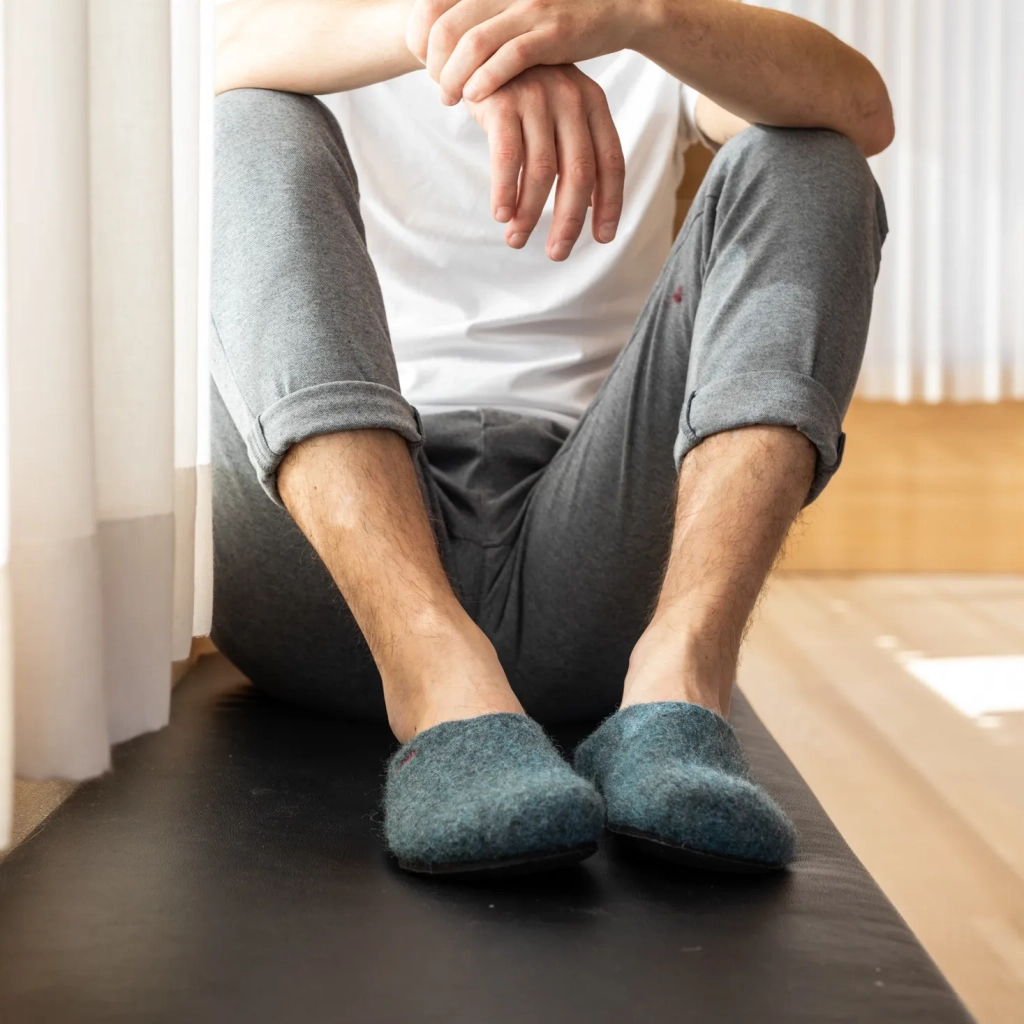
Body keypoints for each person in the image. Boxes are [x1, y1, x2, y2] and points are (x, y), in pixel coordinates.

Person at [211, 0, 892, 876]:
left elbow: (862, 108)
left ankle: (679, 683)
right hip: (334, 567)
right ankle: (429, 675)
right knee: (244, 120)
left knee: (814, 159)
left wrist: (632, 18)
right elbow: (196, 74)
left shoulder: (629, 23)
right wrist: (465, 44)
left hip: (589, 563)